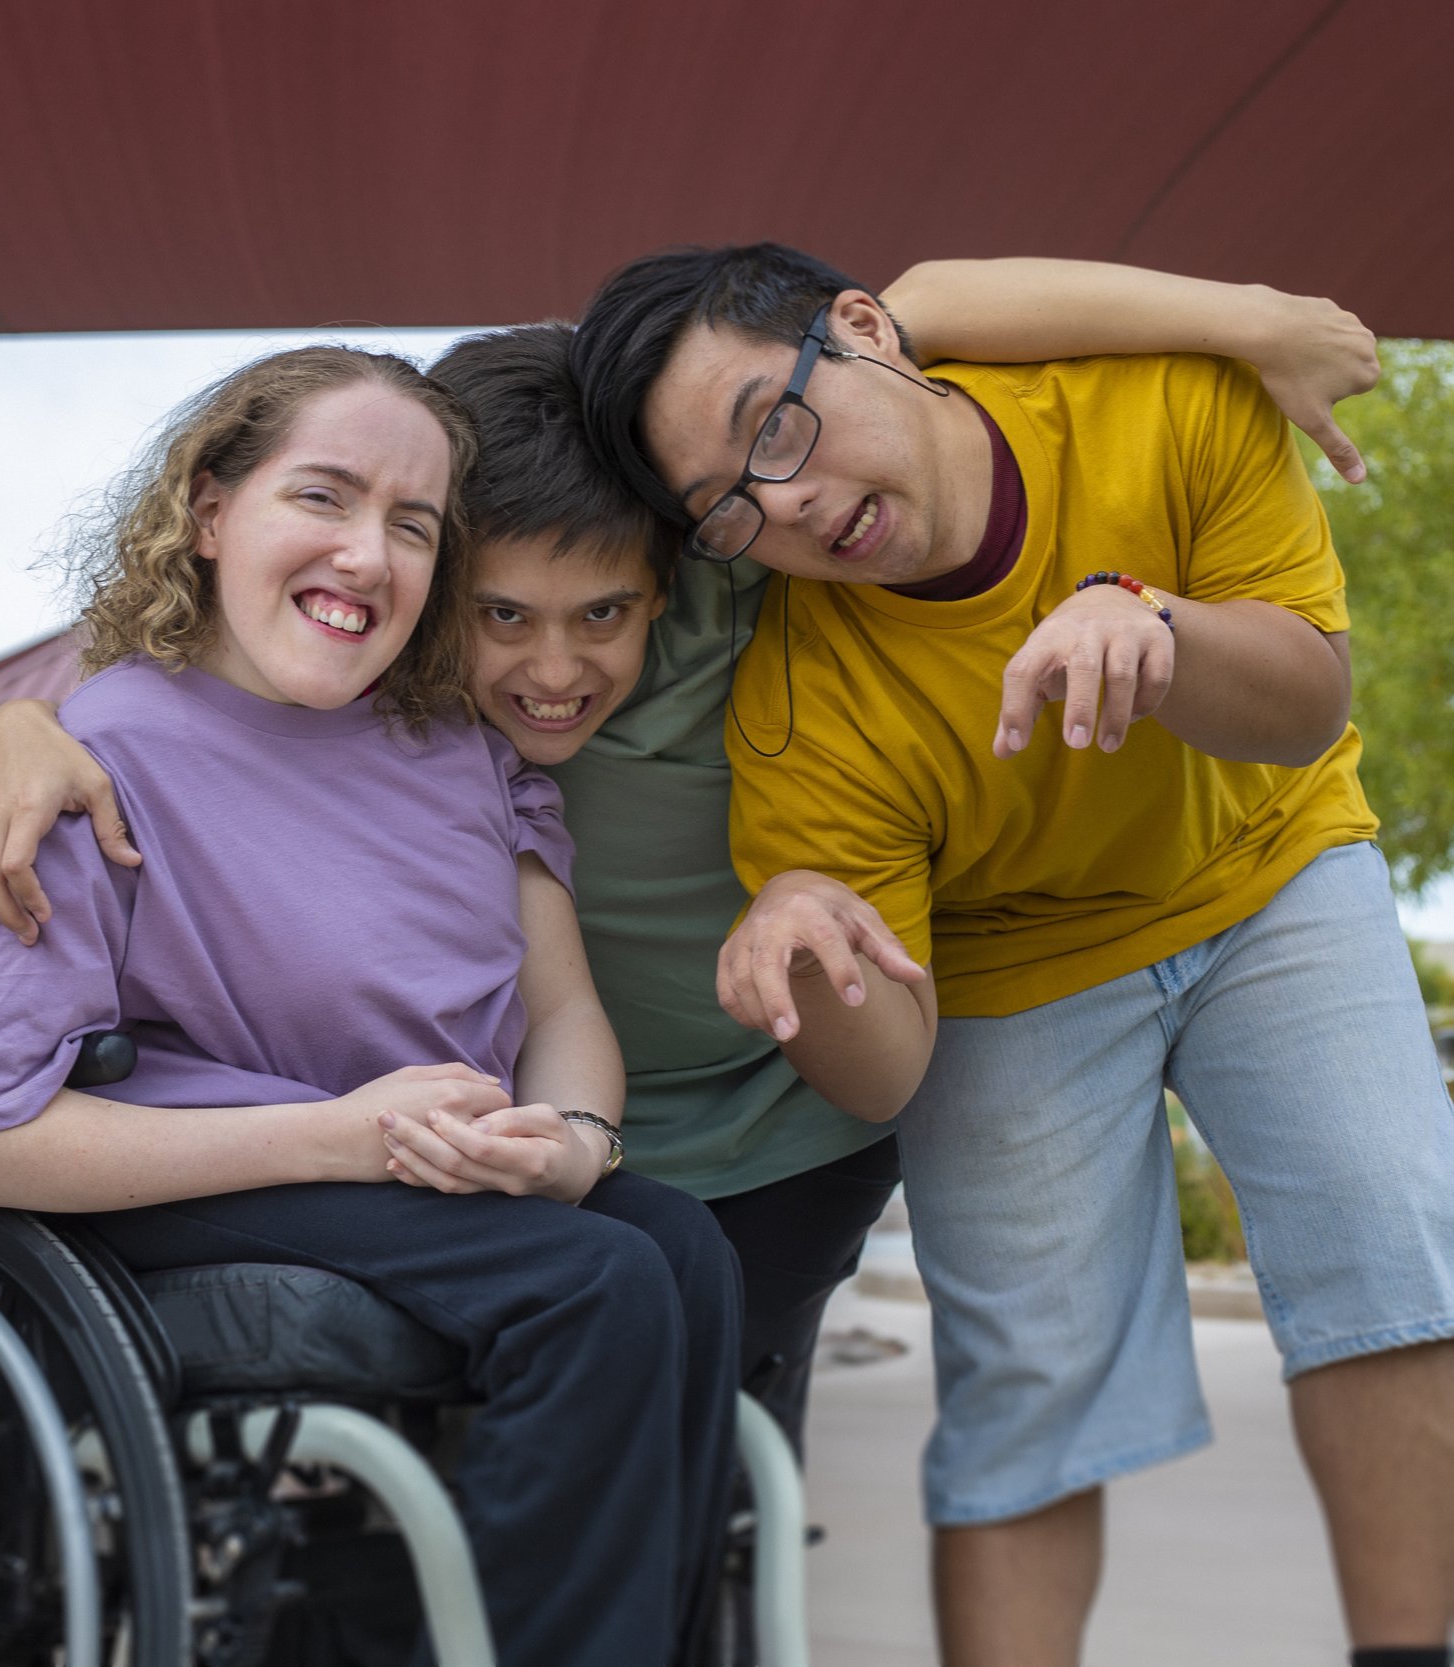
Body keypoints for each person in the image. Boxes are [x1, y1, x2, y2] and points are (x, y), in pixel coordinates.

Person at [0, 260, 1385, 1457]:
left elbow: (925, 302)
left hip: (775, 1127)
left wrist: (1252, 320)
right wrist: (21, 724)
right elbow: (199, 647)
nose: (553, 667)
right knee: (520, 1455)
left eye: (601, 612)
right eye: (496, 613)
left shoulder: (738, 562)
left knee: (721, 1464)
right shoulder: (391, 668)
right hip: (518, 1135)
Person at [571, 242, 1454, 1667]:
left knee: (1386, 1219)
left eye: (775, 428)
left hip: (1270, 862)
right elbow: (884, 1074)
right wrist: (812, 961)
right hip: (1012, 956)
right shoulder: (805, 706)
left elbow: (1305, 707)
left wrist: (1155, 624)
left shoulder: (1162, 404)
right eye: (731, 510)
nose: (784, 502)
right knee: (1026, 1375)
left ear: (865, 333)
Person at [0, 345, 744, 1667]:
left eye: (412, 524)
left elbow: (563, 1004)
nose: (368, 551)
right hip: (208, 1167)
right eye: (325, 496)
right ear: (209, 511)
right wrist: (342, 1136)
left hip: (422, 1166)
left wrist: (577, 1135)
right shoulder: (99, 753)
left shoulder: (461, 749)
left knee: (680, 1244)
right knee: (596, 1284)